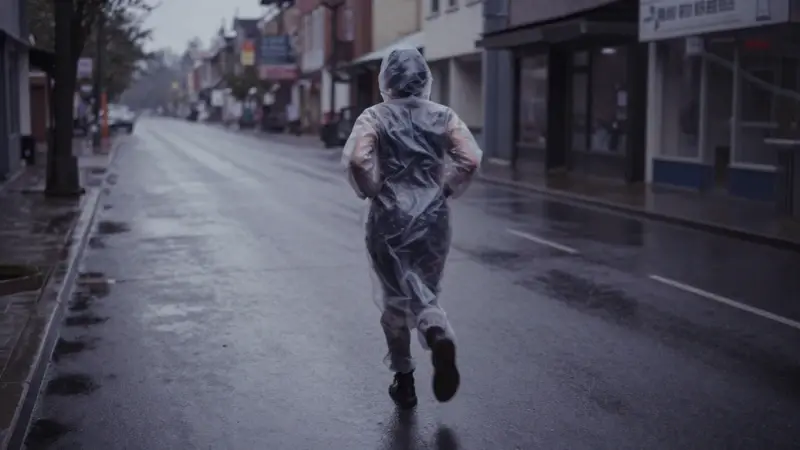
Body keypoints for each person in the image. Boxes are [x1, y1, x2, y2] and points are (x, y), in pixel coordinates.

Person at [341, 46, 483, 409]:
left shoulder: (374, 117)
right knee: (425, 290)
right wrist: (445, 187)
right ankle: (435, 330)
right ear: (424, 79)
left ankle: (404, 380)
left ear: (386, 80)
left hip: (388, 218)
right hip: (433, 218)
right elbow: (470, 158)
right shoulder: (444, 116)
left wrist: (372, 188)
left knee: (395, 298)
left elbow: (357, 159)